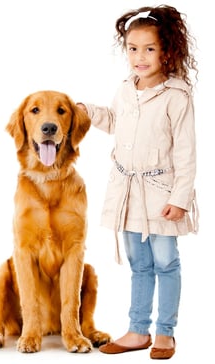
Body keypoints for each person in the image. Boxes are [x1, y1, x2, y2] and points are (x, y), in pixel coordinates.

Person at [77, 4, 198, 360]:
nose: (139, 56)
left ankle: (165, 334)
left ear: (167, 50)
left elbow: (186, 153)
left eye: (149, 48)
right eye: (133, 48)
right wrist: (89, 111)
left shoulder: (177, 96)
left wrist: (181, 198)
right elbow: (115, 121)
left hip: (162, 194)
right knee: (139, 265)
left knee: (166, 262)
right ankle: (137, 329)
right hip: (127, 193)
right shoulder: (126, 88)